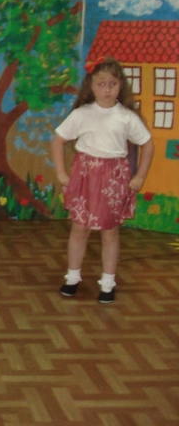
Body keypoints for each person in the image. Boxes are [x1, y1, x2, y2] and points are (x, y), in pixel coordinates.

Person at [52, 56, 154, 304]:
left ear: (121, 86)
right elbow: (58, 141)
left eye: (112, 84)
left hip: (113, 179)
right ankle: (72, 278)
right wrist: (62, 173)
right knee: (80, 228)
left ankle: (108, 283)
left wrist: (140, 175)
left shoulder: (126, 117)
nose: (107, 89)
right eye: (101, 84)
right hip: (85, 176)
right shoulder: (82, 114)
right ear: (91, 86)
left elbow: (148, 144)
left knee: (110, 231)